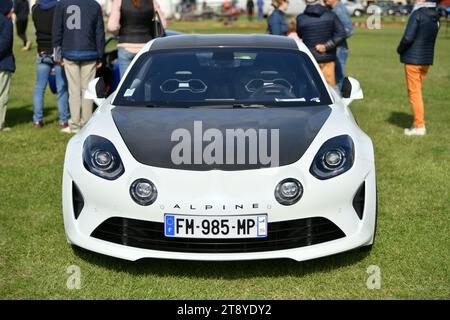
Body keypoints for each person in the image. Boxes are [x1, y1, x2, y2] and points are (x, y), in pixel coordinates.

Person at [53, 0, 105, 134]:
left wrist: (57, 55)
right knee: (87, 90)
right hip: (90, 51)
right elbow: (99, 32)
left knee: (74, 90)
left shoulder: (62, 4)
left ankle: (75, 124)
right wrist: (100, 55)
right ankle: (86, 123)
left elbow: (57, 30)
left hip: (70, 52)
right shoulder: (94, 5)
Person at [397, 0, 439, 136]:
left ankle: (419, 126)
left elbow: (408, 37)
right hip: (426, 60)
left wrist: (399, 49)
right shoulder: (435, 14)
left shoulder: (417, 14)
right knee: (417, 92)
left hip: (413, 59)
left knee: (414, 93)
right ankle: (418, 122)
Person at [32, 0, 69, 130]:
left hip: (41, 51)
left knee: (39, 88)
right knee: (62, 87)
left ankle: (37, 120)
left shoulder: (35, 9)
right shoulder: (59, 7)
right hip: (57, 51)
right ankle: (63, 120)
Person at [107, 0, 167, 78]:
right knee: (143, 82)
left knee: (126, 83)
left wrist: (118, 33)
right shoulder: (152, 2)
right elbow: (164, 25)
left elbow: (111, 27)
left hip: (126, 46)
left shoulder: (119, 1)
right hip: (146, 47)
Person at [296, 0, 346, 88]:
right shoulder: (331, 15)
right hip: (327, 58)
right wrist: (326, 46)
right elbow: (341, 34)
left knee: (311, 87)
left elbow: (300, 34)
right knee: (330, 89)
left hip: (309, 58)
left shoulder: (300, 18)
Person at [325, 0, 353, 92]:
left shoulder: (340, 10)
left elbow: (348, 30)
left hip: (339, 49)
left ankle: (339, 100)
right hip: (335, 48)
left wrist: (331, 40)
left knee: (337, 77)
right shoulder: (333, 8)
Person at [0, 0, 15, 132]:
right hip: (3, 64)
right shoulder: (6, 23)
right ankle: (0, 123)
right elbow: (5, 44)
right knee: (2, 95)